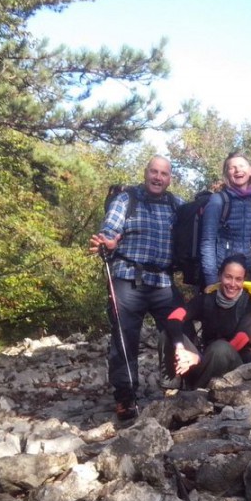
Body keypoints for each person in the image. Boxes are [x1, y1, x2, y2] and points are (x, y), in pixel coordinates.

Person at [89, 156, 184, 421]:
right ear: (145, 173)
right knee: (124, 336)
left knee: (181, 326)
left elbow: (193, 228)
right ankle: (125, 396)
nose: (158, 177)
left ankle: (176, 384)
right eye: (154, 172)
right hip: (128, 277)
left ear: (170, 178)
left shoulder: (176, 205)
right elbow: (110, 228)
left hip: (163, 281)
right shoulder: (126, 199)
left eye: (163, 174)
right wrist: (108, 241)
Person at [165, 255, 251, 389]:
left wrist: (198, 359)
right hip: (205, 361)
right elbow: (174, 317)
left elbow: (240, 340)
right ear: (219, 276)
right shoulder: (207, 299)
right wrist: (180, 348)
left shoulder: (250, 306)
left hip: (235, 370)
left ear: (243, 280)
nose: (232, 284)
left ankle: (196, 393)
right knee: (168, 335)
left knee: (220, 348)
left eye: (238, 279)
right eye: (228, 277)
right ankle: (170, 386)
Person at [200, 152, 251, 288]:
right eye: (232, 167)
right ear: (226, 174)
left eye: (241, 166)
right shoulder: (218, 201)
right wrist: (211, 282)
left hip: (244, 270)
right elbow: (208, 242)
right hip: (222, 273)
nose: (238, 170)